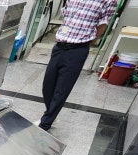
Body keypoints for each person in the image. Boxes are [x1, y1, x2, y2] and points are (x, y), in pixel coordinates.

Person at [39, 0, 117, 131]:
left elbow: (103, 25)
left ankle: (45, 124)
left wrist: (86, 40)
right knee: (48, 85)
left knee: (62, 89)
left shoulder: (108, 1)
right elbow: (67, 16)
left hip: (78, 49)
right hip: (59, 46)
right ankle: (50, 113)